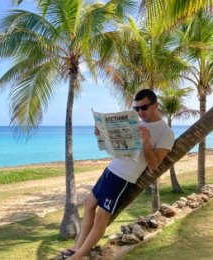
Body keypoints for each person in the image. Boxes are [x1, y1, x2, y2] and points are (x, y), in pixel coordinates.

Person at [63, 89, 174, 260]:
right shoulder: (135, 123)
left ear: (156, 105)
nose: (140, 112)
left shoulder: (166, 133)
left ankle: (78, 256)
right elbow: (118, 150)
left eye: (143, 108)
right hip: (110, 170)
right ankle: (78, 246)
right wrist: (103, 136)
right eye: (136, 109)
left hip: (123, 179)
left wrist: (145, 142)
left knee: (101, 217)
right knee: (88, 203)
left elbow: (154, 165)